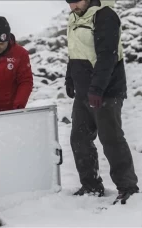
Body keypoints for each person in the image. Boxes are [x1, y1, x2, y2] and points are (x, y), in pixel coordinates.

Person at [65, 0, 139, 203]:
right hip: (83, 92)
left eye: (76, 1)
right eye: (69, 2)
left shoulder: (105, 16)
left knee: (111, 138)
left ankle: (128, 187)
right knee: (79, 139)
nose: (73, 6)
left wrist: (97, 89)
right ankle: (91, 185)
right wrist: (70, 78)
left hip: (105, 92)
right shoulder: (74, 18)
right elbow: (74, 52)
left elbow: (108, 56)